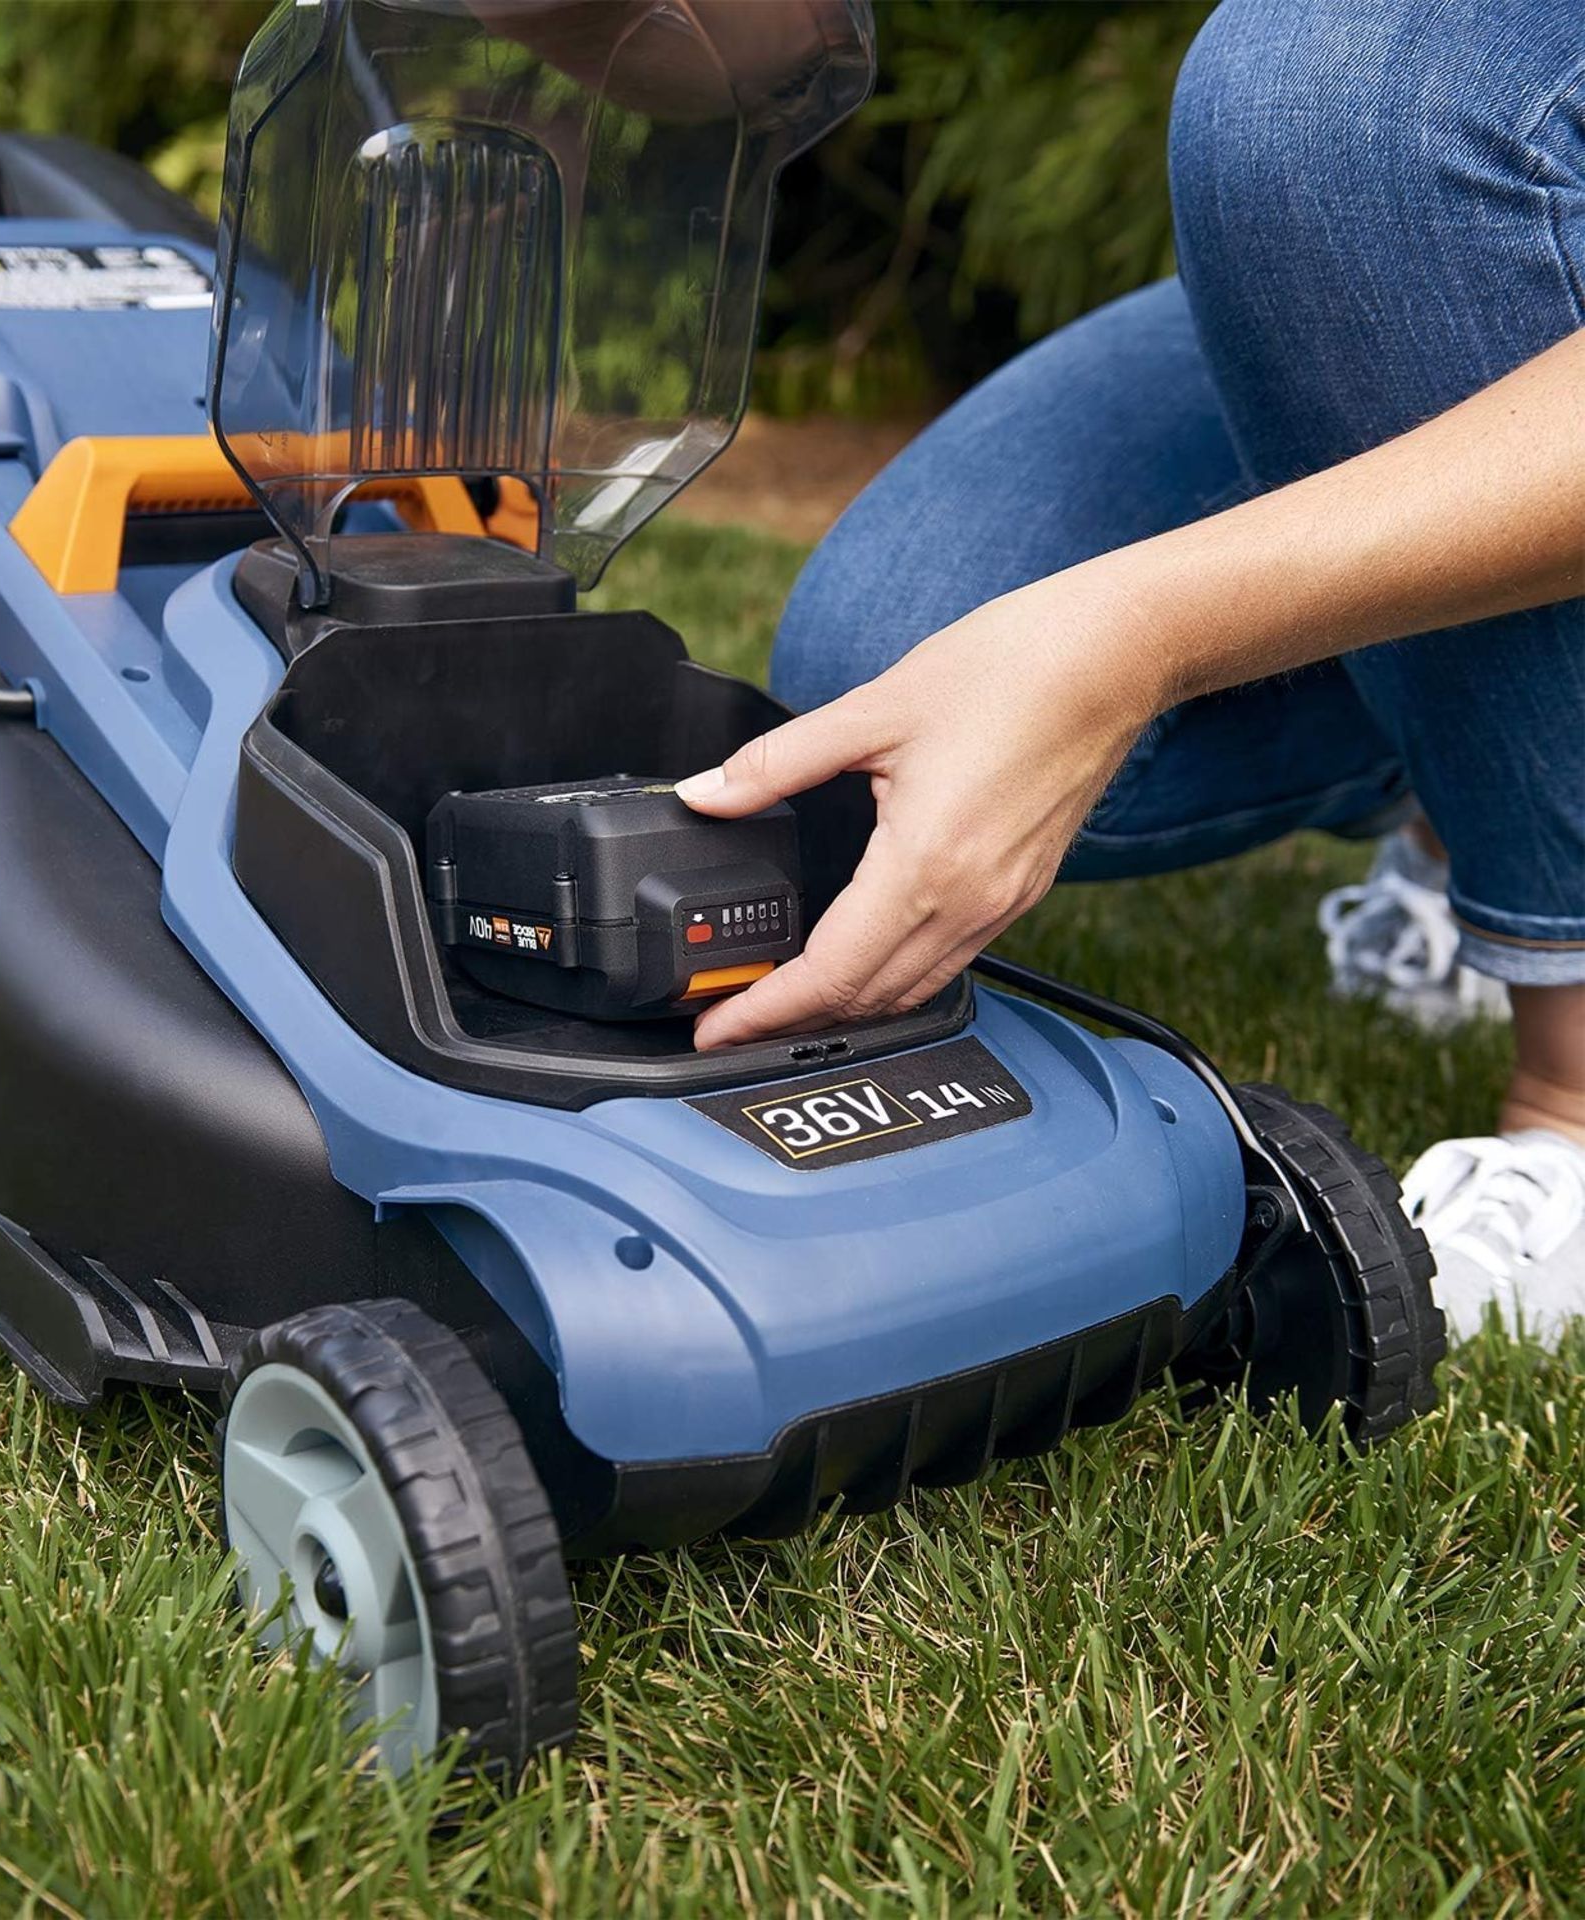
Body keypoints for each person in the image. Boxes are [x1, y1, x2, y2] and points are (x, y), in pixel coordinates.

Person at [674, 0, 1585, 1346]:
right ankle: (1483, 799)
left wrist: (1131, 637)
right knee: (889, 658)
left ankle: (1568, 1094)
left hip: (1414, 123)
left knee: (1333, 91)